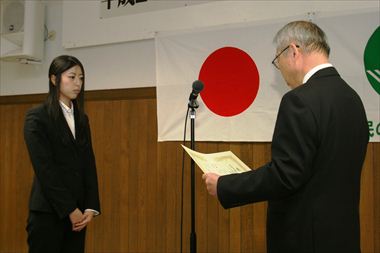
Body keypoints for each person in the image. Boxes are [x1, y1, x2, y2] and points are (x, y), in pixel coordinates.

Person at [202, 21, 369, 253]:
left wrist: (225, 185)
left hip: (304, 240)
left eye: (277, 63)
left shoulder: (299, 100)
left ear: (293, 51)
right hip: (343, 238)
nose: (281, 73)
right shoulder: (353, 99)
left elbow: (285, 175)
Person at [24, 55, 101, 253]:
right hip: (48, 212)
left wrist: (90, 207)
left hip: (78, 216)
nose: (78, 83)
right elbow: (45, 169)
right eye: (72, 77)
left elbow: (88, 163)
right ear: (54, 79)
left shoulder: (82, 119)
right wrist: (69, 209)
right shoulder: (37, 117)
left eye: (81, 78)